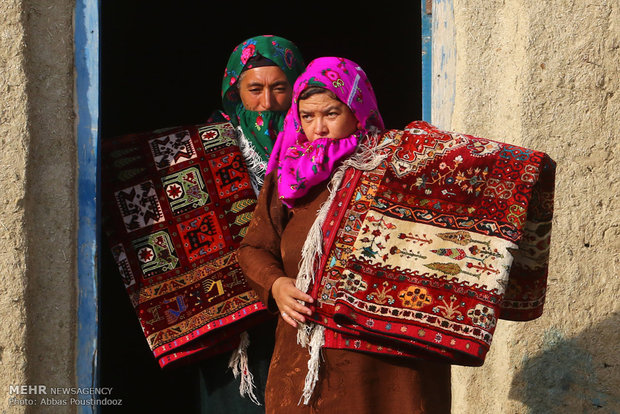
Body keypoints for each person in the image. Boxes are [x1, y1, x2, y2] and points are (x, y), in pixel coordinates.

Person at [238, 57, 451, 413]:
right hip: (307, 354)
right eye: (307, 116)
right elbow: (254, 247)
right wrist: (276, 285)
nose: (318, 128)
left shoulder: (398, 166)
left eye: (331, 114)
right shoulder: (288, 176)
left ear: (358, 110)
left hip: (385, 359)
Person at [197, 35, 306, 413]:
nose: (268, 102)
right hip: (234, 316)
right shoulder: (209, 146)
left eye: (279, 88)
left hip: (302, 305)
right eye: (254, 89)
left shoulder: (319, 143)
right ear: (234, 91)